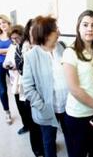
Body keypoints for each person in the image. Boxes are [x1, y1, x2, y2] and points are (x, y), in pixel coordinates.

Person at [62, 10, 93, 157]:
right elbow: (74, 89)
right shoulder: (70, 52)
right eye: (85, 25)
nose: (90, 29)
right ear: (78, 28)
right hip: (78, 116)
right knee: (78, 154)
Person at [21, 16, 68, 157]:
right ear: (46, 33)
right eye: (55, 29)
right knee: (48, 142)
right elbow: (28, 88)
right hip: (47, 109)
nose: (58, 31)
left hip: (67, 106)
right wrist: (42, 107)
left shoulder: (63, 47)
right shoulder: (31, 56)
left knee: (72, 138)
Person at [14, 19, 44, 156]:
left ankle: (47, 145)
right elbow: (21, 69)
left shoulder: (45, 44)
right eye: (33, 29)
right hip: (30, 90)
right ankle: (37, 149)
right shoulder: (22, 47)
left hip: (45, 90)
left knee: (45, 122)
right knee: (34, 123)